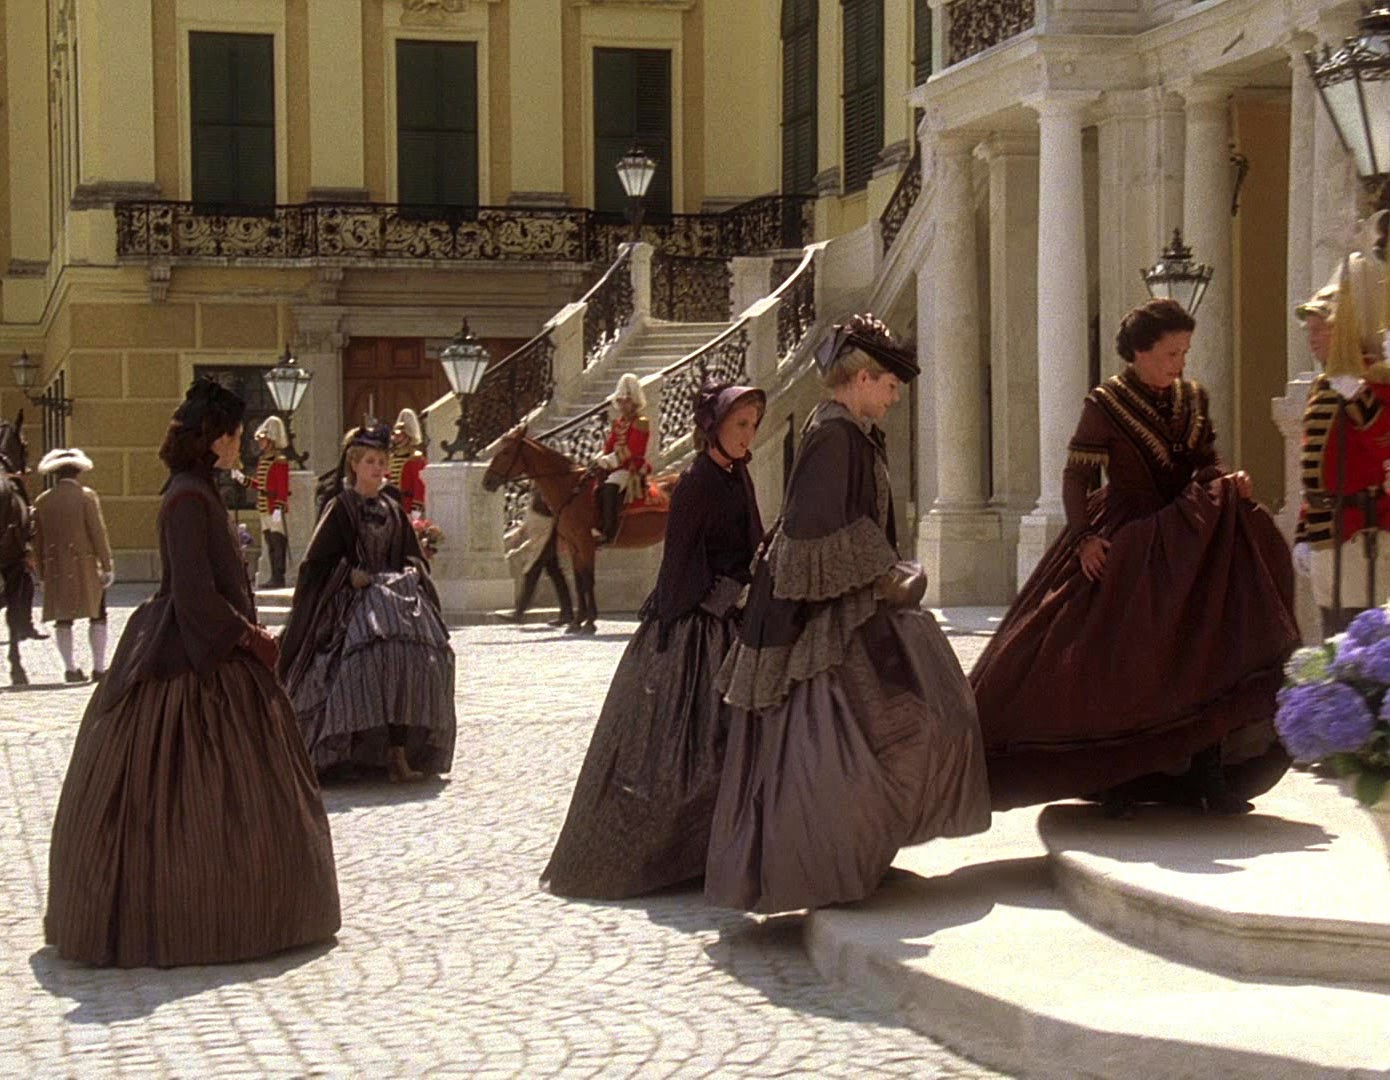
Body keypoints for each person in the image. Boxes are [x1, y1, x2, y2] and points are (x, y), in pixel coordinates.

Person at [44, 378, 340, 968]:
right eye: (234, 436)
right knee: (193, 792)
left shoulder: (199, 490)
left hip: (211, 647)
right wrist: (249, 636)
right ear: (214, 439)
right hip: (193, 655)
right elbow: (194, 596)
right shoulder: (186, 498)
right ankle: (196, 913)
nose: (240, 445)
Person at [705, 316, 991, 915]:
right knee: (845, 736)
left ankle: (854, 854)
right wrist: (885, 569)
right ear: (862, 379)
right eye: (889, 385)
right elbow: (811, 533)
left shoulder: (851, 431)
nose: (894, 397)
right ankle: (826, 863)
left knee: (874, 731)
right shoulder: (835, 436)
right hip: (822, 616)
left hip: (845, 603)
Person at [971, 299, 1299, 818]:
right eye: (1171, 353)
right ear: (1140, 352)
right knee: (1119, 660)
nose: (1179, 364)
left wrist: (1227, 479)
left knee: (1205, 648)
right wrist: (1084, 538)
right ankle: (1116, 778)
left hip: (1190, 539)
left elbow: (1205, 463)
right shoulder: (1105, 404)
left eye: (1184, 352)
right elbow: (1076, 477)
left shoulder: (1192, 397)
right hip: (1128, 538)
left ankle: (1208, 772)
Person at [543, 380, 766, 899]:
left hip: (734, 615)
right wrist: (722, 596)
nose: (748, 434)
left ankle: (726, 845)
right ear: (714, 427)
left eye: (753, 425)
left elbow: (749, 540)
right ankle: (679, 852)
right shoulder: (695, 483)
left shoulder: (738, 474)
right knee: (691, 746)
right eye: (740, 424)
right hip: (694, 625)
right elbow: (679, 563)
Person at [278, 423, 456, 783]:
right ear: (354, 464)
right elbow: (315, 564)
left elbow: (410, 555)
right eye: (370, 461)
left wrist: (413, 571)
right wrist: (347, 575)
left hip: (394, 600)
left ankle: (400, 751)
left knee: (419, 658)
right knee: (363, 662)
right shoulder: (340, 508)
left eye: (381, 461)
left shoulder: (393, 508)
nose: (377, 468)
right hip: (350, 602)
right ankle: (349, 751)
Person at [1291, 275, 1390, 636]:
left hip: (1360, 532)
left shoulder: (1374, 379)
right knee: (1331, 638)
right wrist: (1303, 531)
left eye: (1322, 328)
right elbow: (1314, 466)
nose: (1313, 337)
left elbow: (1385, 442)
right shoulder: (1322, 385)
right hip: (1324, 534)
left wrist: (1359, 397)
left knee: (1359, 643)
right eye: (1311, 329)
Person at [31, 448, 113, 683]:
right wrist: (107, 564)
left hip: (56, 567)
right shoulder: (86, 496)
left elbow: (38, 542)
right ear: (78, 471)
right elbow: (98, 533)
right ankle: (99, 668)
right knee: (98, 615)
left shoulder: (43, 500)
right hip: (85, 566)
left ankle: (70, 668)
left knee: (63, 618)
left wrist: (41, 574)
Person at [591, 373, 652, 544]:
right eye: (620, 401)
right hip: (614, 466)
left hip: (630, 467)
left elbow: (634, 449)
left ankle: (609, 532)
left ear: (634, 402)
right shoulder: (618, 422)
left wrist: (611, 460)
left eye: (626, 401)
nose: (622, 405)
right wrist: (602, 457)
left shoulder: (641, 422)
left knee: (610, 487)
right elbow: (610, 445)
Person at [505, 489, 574, 627]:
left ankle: (519, 611)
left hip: (546, 533)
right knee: (555, 573)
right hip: (542, 531)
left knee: (533, 571)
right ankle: (567, 613)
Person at [247, 415, 292, 589]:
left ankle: (278, 576)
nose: (260, 443)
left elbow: (282, 488)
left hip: (274, 508)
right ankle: (274, 575)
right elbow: (260, 484)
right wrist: (244, 480)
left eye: (263, 439)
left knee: (277, 540)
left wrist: (279, 507)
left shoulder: (279, 461)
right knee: (270, 542)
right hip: (264, 507)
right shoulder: (264, 460)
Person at [386, 407, 427, 517]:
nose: (396, 438)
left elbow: (419, 487)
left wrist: (415, 511)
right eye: (395, 435)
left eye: (400, 435)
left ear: (408, 435)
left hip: (407, 508)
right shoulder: (390, 458)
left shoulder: (416, 459)